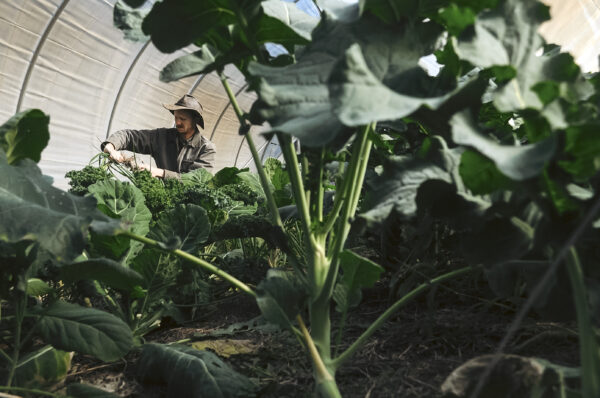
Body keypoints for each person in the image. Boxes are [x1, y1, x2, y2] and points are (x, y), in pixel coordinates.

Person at [101, 94, 216, 179]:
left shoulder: (206, 148)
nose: (178, 122)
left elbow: (196, 180)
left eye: (183, 119)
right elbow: (129, 136)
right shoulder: (162, 137)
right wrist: (110, 147)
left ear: (195, 120)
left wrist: (159, 172)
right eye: (176, 118)